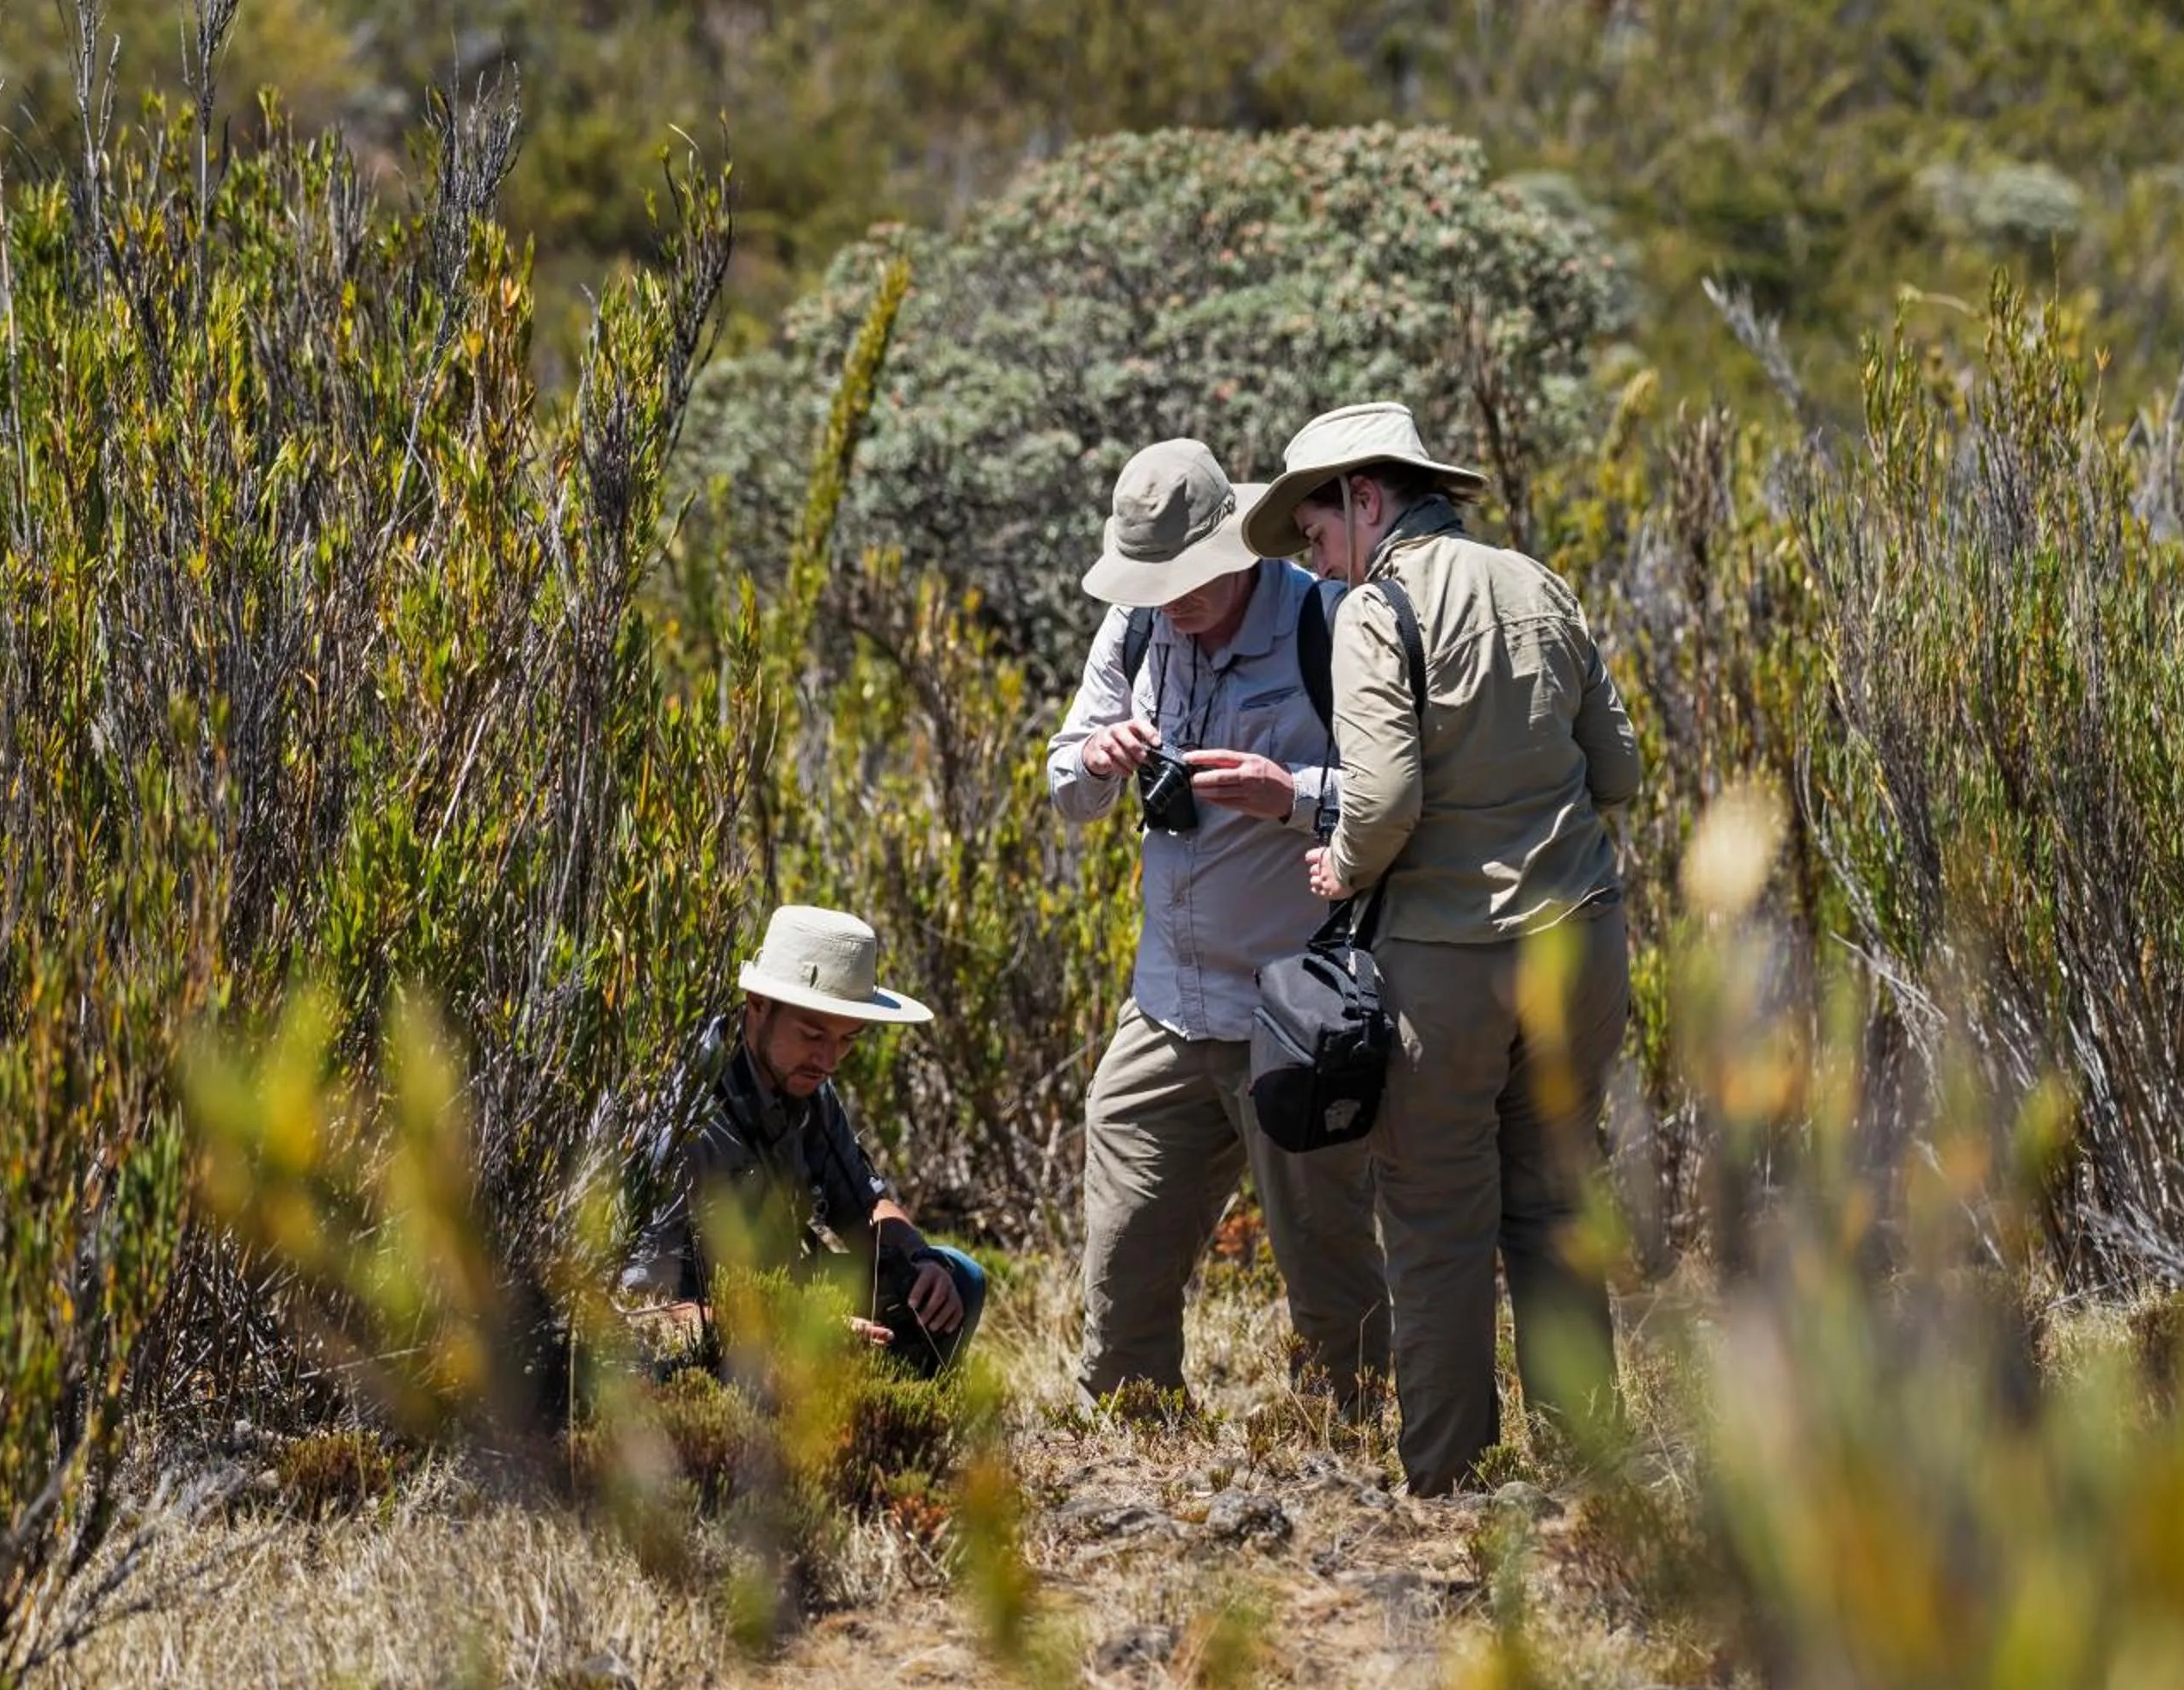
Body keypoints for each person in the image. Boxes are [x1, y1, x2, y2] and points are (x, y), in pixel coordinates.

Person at [1239, 401, 1643, 1494]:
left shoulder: (1381, 605)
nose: (1317, 566)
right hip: (1580, 946)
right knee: (1557, 1202)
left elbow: (1380, 799)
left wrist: (1343, 864)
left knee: (1435, 1223)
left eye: (1317, 535)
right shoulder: (1538, 582)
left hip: (1447, 967)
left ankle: (1452, 1480)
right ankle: (1589, 1467)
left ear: (1366, 498)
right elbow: (1619, 772)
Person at [1048, 436, 1391, 1410]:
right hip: (1165, 1004)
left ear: (1241, 545)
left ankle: (1351, 1434)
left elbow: (1401, 793)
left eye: (1191, 578)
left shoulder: (1327, 619)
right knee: (1123, 1251)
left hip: (1295, 1013)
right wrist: (1100, 758)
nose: (1175, 601)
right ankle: (1132, 1426)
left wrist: (1291, 795)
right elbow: (1065, 780)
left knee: (1327, 1262)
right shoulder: (1133, 628)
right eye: (1154, 582)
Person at [619, 904, 987, 1377]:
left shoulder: (807, 1083)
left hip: (780, 1292)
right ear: (757, 1004)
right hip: (702, 1330)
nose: (829, 1060)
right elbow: (640, 1308)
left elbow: (866, 1205)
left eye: (848, 1040)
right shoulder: (681, 1110)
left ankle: (891, 1432)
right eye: (813, 1034)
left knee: (959, 1276)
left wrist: (919, 1255)